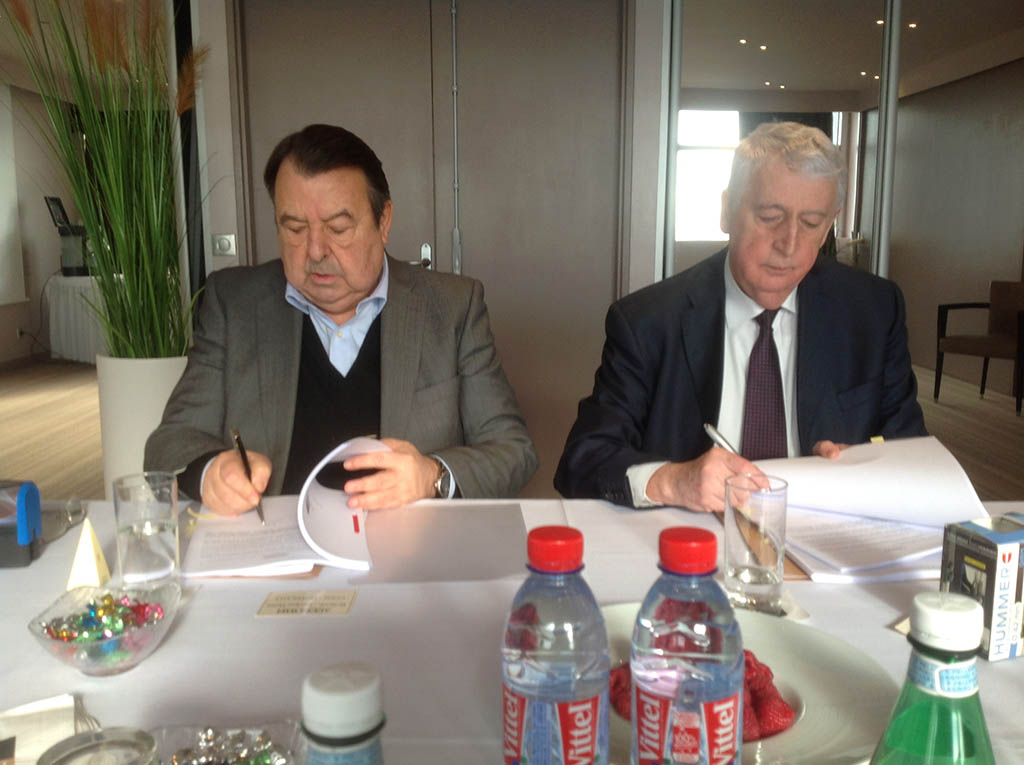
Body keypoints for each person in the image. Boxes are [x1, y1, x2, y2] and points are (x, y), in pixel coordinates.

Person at [145, 124, 537, 515]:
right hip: (275, 545)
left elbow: (513, 451)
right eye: (294, 228)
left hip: (406, 544)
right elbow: (170, 443)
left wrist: (432, 475)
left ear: (383, 221)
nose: (315, 250)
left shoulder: (452, 307)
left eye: (338, 228)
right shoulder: (234, 304)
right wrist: (210, 471)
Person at [554, 121, 926, 512]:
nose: (789, 244)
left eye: (811, 223)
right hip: (690, 539)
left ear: (829, 225)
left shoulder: (873, 312)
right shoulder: (648, 322)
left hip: (826, 534)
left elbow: (912, 452)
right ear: (726, 211)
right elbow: (583, 461)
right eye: (770, 216)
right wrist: (673, 481)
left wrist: (867, 465)